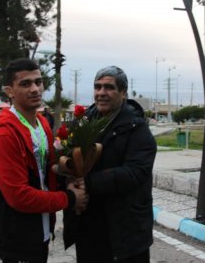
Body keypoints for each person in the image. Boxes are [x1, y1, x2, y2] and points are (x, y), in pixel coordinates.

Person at [0, 58, 88, 263]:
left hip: (41, 228)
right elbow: (19, 196)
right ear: (9, 91)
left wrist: (68, 179)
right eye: (25, 84)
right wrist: (69, 198)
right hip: (16, 236)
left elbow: (47, 171)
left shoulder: (40, 123)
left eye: (38, 82)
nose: (35, 89)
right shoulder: (4, 135)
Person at [63, 66, 157, 263]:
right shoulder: (83, 122)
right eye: (97, 87)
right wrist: (70, 183)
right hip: (89, 228)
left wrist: (88, 182)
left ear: (123, 93)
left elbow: (135, 173)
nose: (101, 93)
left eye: (109, 87)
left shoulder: (136, 128)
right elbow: (68, 157)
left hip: (125, 233)